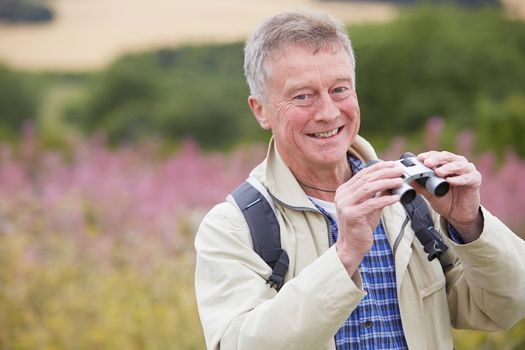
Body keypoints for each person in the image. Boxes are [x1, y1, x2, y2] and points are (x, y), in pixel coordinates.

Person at [194, 9, 525, 350]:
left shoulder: (410, 201)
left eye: (339, 89)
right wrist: (345, 255)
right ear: (260, 109)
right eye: (302, 96)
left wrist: (470, 223)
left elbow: (503, 309)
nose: (327, 112)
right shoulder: (232, 226)